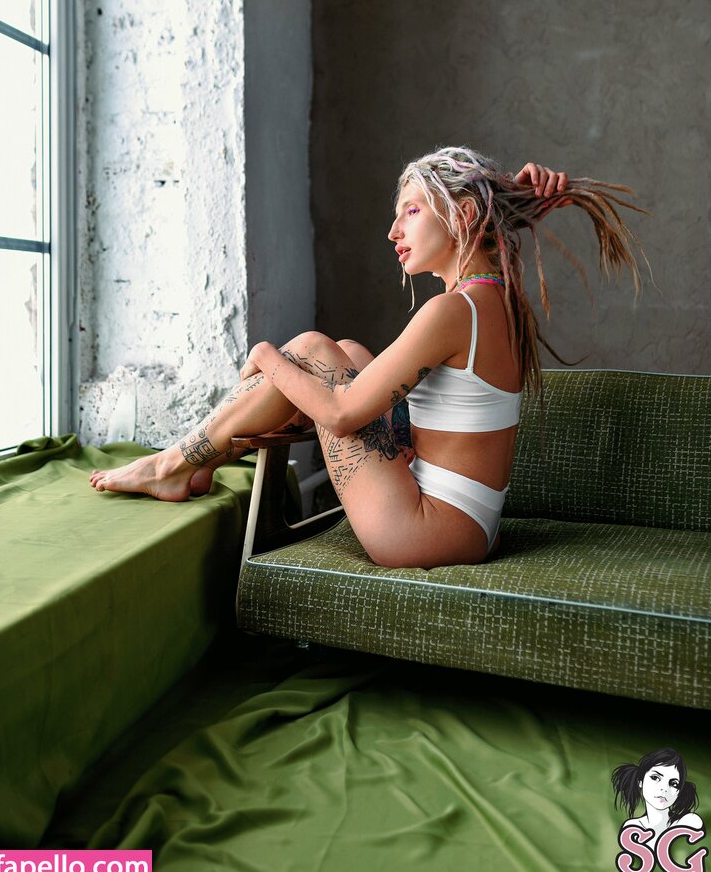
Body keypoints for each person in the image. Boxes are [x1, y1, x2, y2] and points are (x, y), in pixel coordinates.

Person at [90, 146, 646, 569]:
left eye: (411, 211)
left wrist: (265, 354)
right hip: (469, 526)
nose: (393, 231)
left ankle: (172, 464)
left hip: (423, 531)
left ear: (463, 215)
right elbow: (488, 230)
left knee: (309, 350)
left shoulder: (453, 310)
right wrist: (512, 203)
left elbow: (339, 415)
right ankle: (203, 460)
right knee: (350, 353)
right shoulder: (494, 297)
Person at [612, 748, 703, 851]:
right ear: (640, 781)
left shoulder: (689, 821)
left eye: (673, 784)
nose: (664, 789)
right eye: (655, 778)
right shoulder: (632, 828)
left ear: (679, 792)